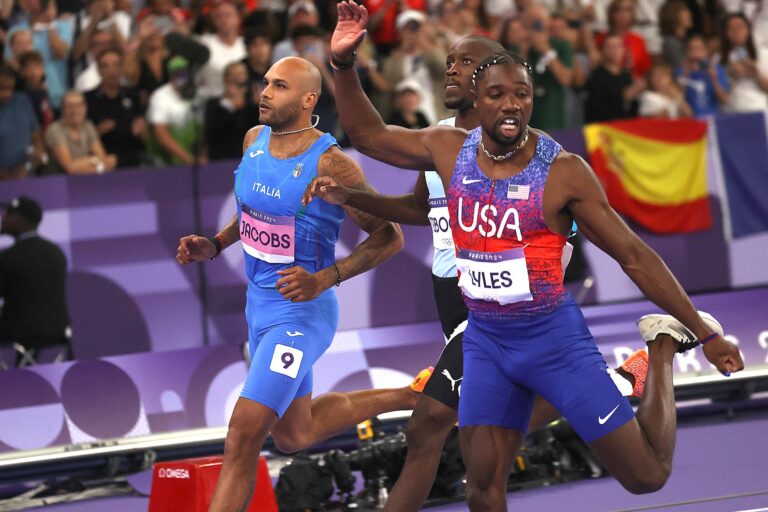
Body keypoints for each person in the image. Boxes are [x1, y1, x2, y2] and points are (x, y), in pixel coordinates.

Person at [326, 3, 743, 509]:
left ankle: (657, 349)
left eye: (521, 95)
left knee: (646, 477)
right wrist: (344, 68)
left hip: (552, 339)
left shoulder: (563, 172)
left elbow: (633, 256)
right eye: (497, 95)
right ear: (475, 103)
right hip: (485, 340)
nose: (510, 106)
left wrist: (706, 333)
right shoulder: (446, 148)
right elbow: (369, 138)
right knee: (482, 488)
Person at [303, 32, 643, 512]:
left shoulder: (526, 151)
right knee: (478, 424)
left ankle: (611, 387)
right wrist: (350, 196)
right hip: (451, 293)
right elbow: (420, 208)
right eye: (449, 61)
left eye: (465, 62)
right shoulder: (439, 141)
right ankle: (613, 385)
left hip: (494, 305)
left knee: (428, 425)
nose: (452, 70)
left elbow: (571, 228)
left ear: (494, 77)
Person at [175, 56, 430, 512]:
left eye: (280, 86)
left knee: (243, 435)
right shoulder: (254, 139)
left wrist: (326, 279)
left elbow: (390, 236)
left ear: (309, 99)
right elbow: (253, 213)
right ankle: (412, 395)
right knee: (295, 434)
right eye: (266, 83)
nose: (265, 92)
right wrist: (215, 244)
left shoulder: (331, 162)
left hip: (301, 313)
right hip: (260, 310)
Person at [0, 196, 70, 367]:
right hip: (57, 331)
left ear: (19, 220)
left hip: (17, 332)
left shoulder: (8, 258)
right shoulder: (56, 252)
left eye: (8, 215)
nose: (3, 218)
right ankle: (27, 373)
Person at [85, 47, 146, 168]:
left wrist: (142, 131)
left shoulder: (132, 95)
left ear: (122, 68)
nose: (111, 70)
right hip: (102, 159)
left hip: (134, 156)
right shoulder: (88, 99)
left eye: (115, 65)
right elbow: (81, 138)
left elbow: (143, 131)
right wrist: (97, 132)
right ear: (98, 70)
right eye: (105, 66)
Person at [45, 90, 117, 174]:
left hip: (87, 181)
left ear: (85, 108)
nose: (75, 110)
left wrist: (87, 163)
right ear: (62, 109)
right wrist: (95, 161)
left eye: (79, 105)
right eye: (70, 106)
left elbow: (103, 158)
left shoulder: (87, 126)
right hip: (59, 183)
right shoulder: (55, 130)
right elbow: (70, 168)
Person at [0, 63, 46, 180]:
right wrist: (8, 176)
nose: (7, 94)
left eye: (11, 88)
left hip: (27, 173)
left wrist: (39, 149)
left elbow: (36, 134)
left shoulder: (21, 100)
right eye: (2, 88)